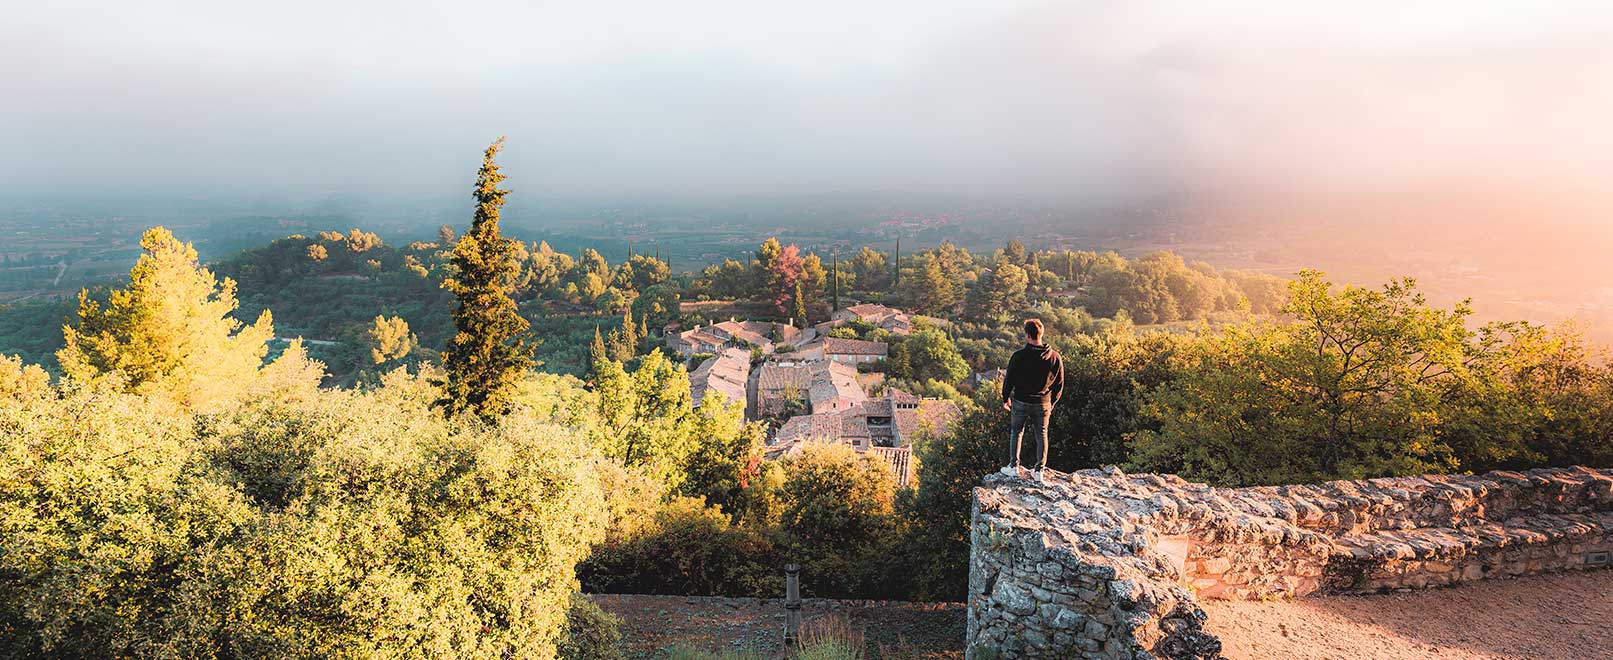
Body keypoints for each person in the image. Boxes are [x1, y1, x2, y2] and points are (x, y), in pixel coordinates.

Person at [999, 318, 1063, 482]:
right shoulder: (1054, 357)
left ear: (1027, 336)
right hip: (1043, 403)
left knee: (1016, 432)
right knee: (1042, 434)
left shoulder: (1019, 356)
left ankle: (1013, 467)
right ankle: (1039, 471)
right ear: (1041, 333)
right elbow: (1059, 384)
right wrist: (1052, 403)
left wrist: (1005, 398)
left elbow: (1009, 379)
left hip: (1021, 400)